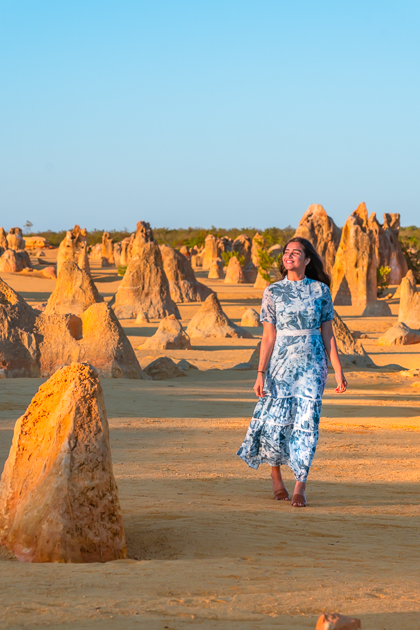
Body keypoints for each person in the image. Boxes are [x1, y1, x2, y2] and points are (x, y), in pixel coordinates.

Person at [237, 237, 347, 507]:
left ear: (307, 260)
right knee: (276, 423)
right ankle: (276, 475)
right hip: (280, 366)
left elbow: (328, 334)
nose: (289, 256)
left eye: (295, 252)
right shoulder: (272, 292)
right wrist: (260, 372)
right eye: (286, 252)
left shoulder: (321, 291)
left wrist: (338, 370)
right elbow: (268, 337)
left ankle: (300, 484)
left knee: (307, 423)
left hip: (312, 365)